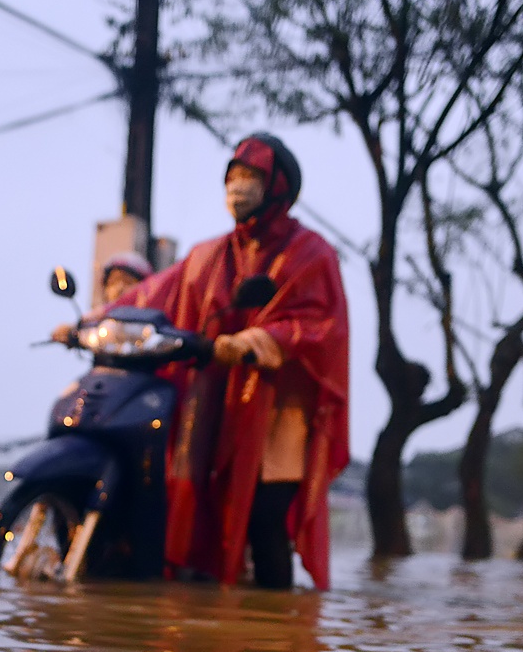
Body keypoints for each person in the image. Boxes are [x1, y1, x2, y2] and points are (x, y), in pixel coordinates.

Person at [108, 134, 350, 590]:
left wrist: (256, 339)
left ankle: (274, 625)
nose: (238, 187)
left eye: (251, 176)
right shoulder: (209, 255)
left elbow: (321, 323)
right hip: (216, 395)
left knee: (264, 516)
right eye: (233, 177)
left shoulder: (311, 252)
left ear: (277, 185)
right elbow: (153, 291)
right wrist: (92, 320)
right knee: (195, 501)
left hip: (279, 409)